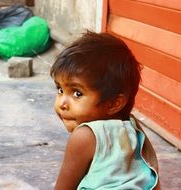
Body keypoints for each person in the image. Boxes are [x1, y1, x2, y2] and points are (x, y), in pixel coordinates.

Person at [50, 31, 160, 190]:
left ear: (114, 104)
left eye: (77, 93)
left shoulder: (85, 136)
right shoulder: (133, 128)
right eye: (60, 89)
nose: (62, 103)